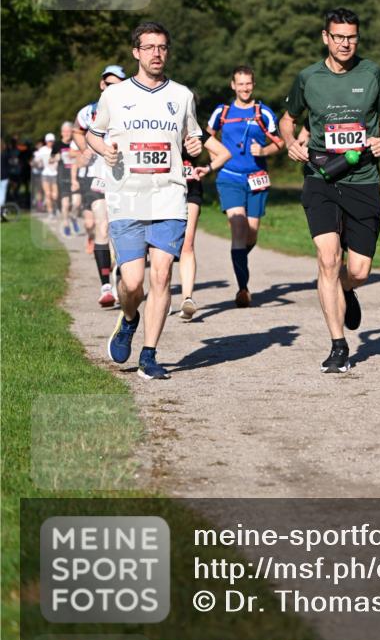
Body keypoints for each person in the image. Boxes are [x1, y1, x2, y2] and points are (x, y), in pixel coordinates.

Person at [279, 8, 380, 374]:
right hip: (321, 177)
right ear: (325, 37)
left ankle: (348, 289)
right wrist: (290, 143)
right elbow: (288, 120)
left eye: (351, 37)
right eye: (338, 37)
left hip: (362, 178)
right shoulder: (308, 78)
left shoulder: (373, 73)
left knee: (359, 270)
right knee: (328, 259)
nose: (345, 43)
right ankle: (338, 346)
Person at [86, 22, 204, 381]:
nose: (157, 53)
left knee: (162, 274)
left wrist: (195, 145)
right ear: (136, 52)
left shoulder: (182, 95)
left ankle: (149, 355)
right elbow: (93, 134)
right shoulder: (115, 95)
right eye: (149, 47)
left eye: (162, 47)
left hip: (169, 196)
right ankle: (129, 318)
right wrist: (103, 149)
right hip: (126, 198)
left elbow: (193, 137)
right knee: (133, 282)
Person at [206, 66, 283, 307]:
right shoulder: (222, 111)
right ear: (233, 85)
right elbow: (205, 136)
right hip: (229, 177)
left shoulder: (264, 112)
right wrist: (214, 158)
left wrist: (264, 150)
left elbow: (280, 143)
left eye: (248, 83)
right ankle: (243, 288)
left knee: (251, 232)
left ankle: (238, 255)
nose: (244, 88)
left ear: (253, 85)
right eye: (240, 84)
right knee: (238, 227)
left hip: (257, 178)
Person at [73, 65, 126, 307]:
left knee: (123, 230)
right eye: (108, 84)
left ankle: (124, 280)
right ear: (101, 85)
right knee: (102, 227)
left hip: (125, 177)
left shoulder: (130, 109)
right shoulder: (89, 111)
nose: (111, 88)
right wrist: (85, 149)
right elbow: (78, 130)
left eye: (118, 85)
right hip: (99, 176)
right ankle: (106, 286)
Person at [176, 135, 231, 321]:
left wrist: (207, 168)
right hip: (161, 191)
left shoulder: (193, 130)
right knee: (162, 249)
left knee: (187, 243)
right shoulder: (154, 124)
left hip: (191, 189)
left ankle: (187, 299)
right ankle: (161, 294)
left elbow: (224, 153)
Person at [50, 122, 80, 236]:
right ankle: (66, 224)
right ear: (61, 133)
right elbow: (50, 160)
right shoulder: (57, 145)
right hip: (63, 176)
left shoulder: (76, 143)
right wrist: (55, 158)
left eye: (68, 131)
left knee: (77, 203)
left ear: (72, 132)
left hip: (76, 176)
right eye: (64, 131)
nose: (66, 133)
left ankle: (73, 216)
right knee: (66, 204)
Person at [35, 133, 58, 219]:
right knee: (48, 194)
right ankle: (50, 212)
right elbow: (37, 160)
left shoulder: (56, 149)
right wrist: (38, 162)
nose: (50, 143)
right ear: (46, 141)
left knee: (55, 195)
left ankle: (55, 208)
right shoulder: (42, 150)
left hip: (55, 174)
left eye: (52, 141)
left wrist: (54, 159)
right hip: (45, 174)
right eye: (49, 141)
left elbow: (59, 159)